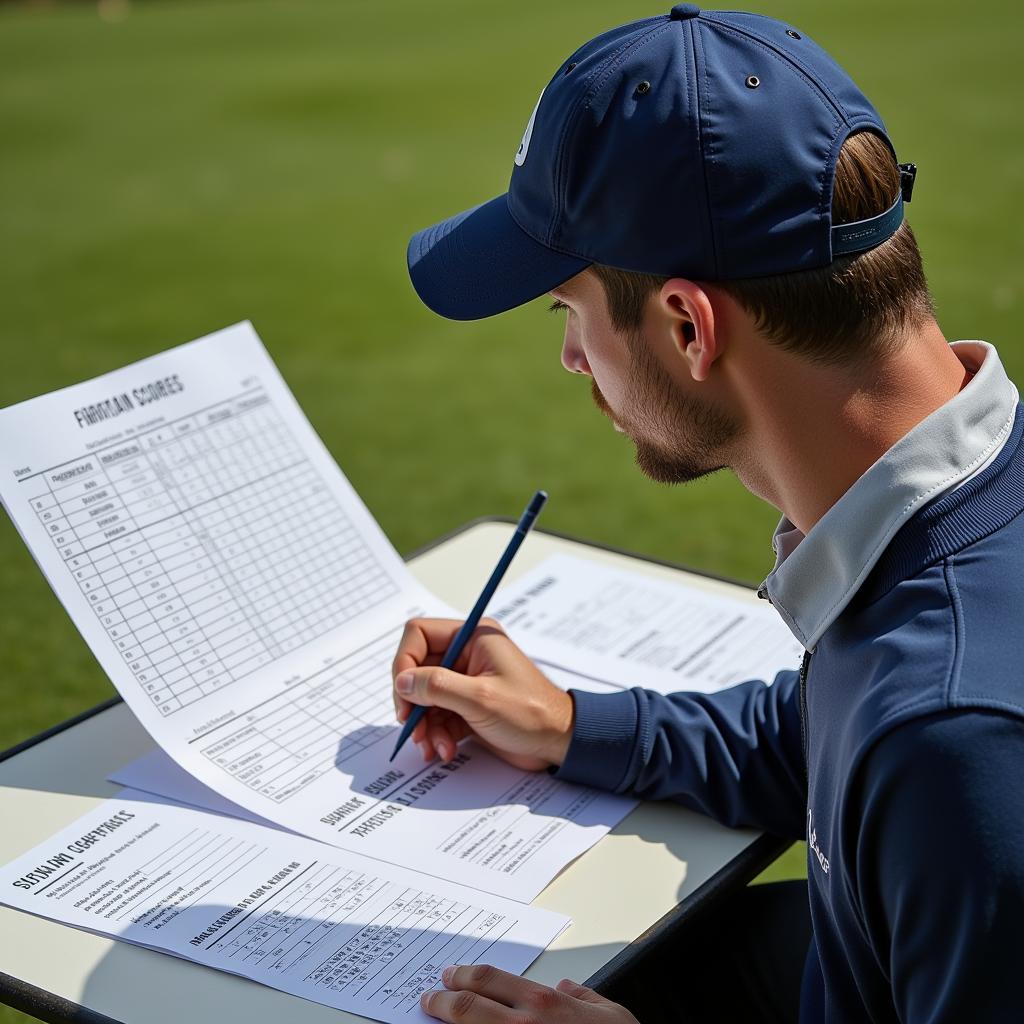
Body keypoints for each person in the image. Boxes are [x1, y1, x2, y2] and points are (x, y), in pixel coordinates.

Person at [395, 6, 1024, 1023]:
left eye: (570, 311)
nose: (568, 358)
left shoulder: (959, 747)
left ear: (688, 324)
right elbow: (831, 736)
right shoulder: (960, 519)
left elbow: (909, 751)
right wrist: (570, 724)